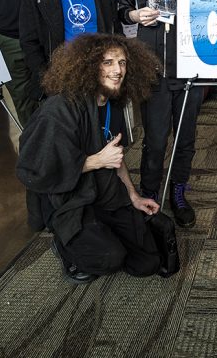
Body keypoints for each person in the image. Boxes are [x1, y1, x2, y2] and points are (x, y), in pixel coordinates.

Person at [16, 34, 162, 284]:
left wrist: (133, 195)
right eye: (108, 62)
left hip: (103, 192)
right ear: (89, 66)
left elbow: (116, 158)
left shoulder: (113, 103)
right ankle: (64, 246)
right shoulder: (60, 109)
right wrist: (95, 161)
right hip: (68, 200)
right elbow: (35, 170)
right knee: (109, 258)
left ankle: (100, 230)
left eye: (122, 62)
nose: (118, 70)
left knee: (147, 262)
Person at [118, 0, 202, 228]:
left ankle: (179, 193)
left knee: (186, 138)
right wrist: (135, 15)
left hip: (190, 62)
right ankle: (149, 192)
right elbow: (123, 9)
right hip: (150, 64)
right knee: (154, 139)